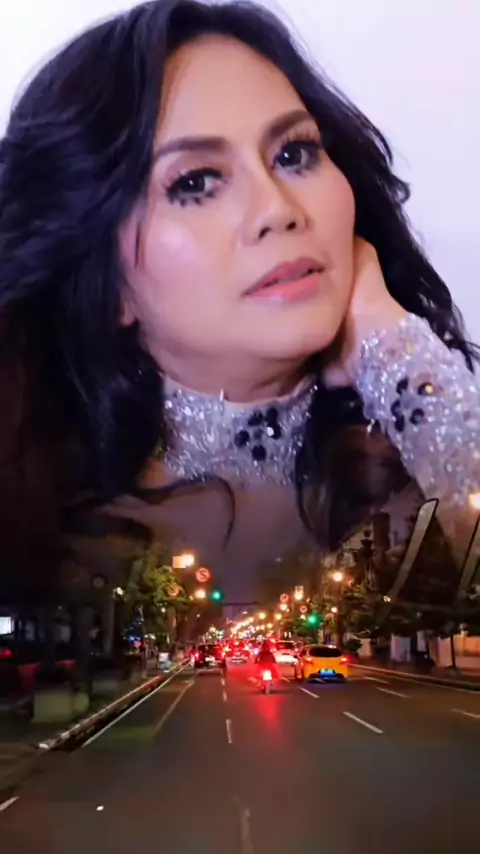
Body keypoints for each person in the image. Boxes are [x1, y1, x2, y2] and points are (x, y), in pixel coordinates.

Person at [1, 0, 479, 608]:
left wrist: (392, 346)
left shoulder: (412, 469)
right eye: (195, 182)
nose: (278, 208)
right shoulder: (37, 530)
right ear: (106, 280)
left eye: (293, 154)